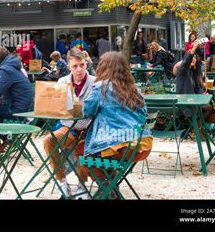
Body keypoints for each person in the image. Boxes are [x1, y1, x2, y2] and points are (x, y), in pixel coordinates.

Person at [76, 52, 153, 199]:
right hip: (142, 145)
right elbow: (143, 114)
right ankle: (111, 186)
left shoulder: (101, 88)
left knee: (80, 150)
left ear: (103, 68)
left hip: (119, 147)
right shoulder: (135, 89)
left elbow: (87, 111)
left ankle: (107, 186)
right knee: (101, 152)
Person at [43, 48, 95, 199]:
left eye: (82, 65)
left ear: (86, 64)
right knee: (48, 141)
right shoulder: (62, 82)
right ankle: (63, 183)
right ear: (68, 66)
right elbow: (55, 108)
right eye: (75, 66)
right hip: (68, 128)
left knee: (82, 147)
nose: (79, 69)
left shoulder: (95, 82)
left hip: (89, 130)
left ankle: (81, 186)